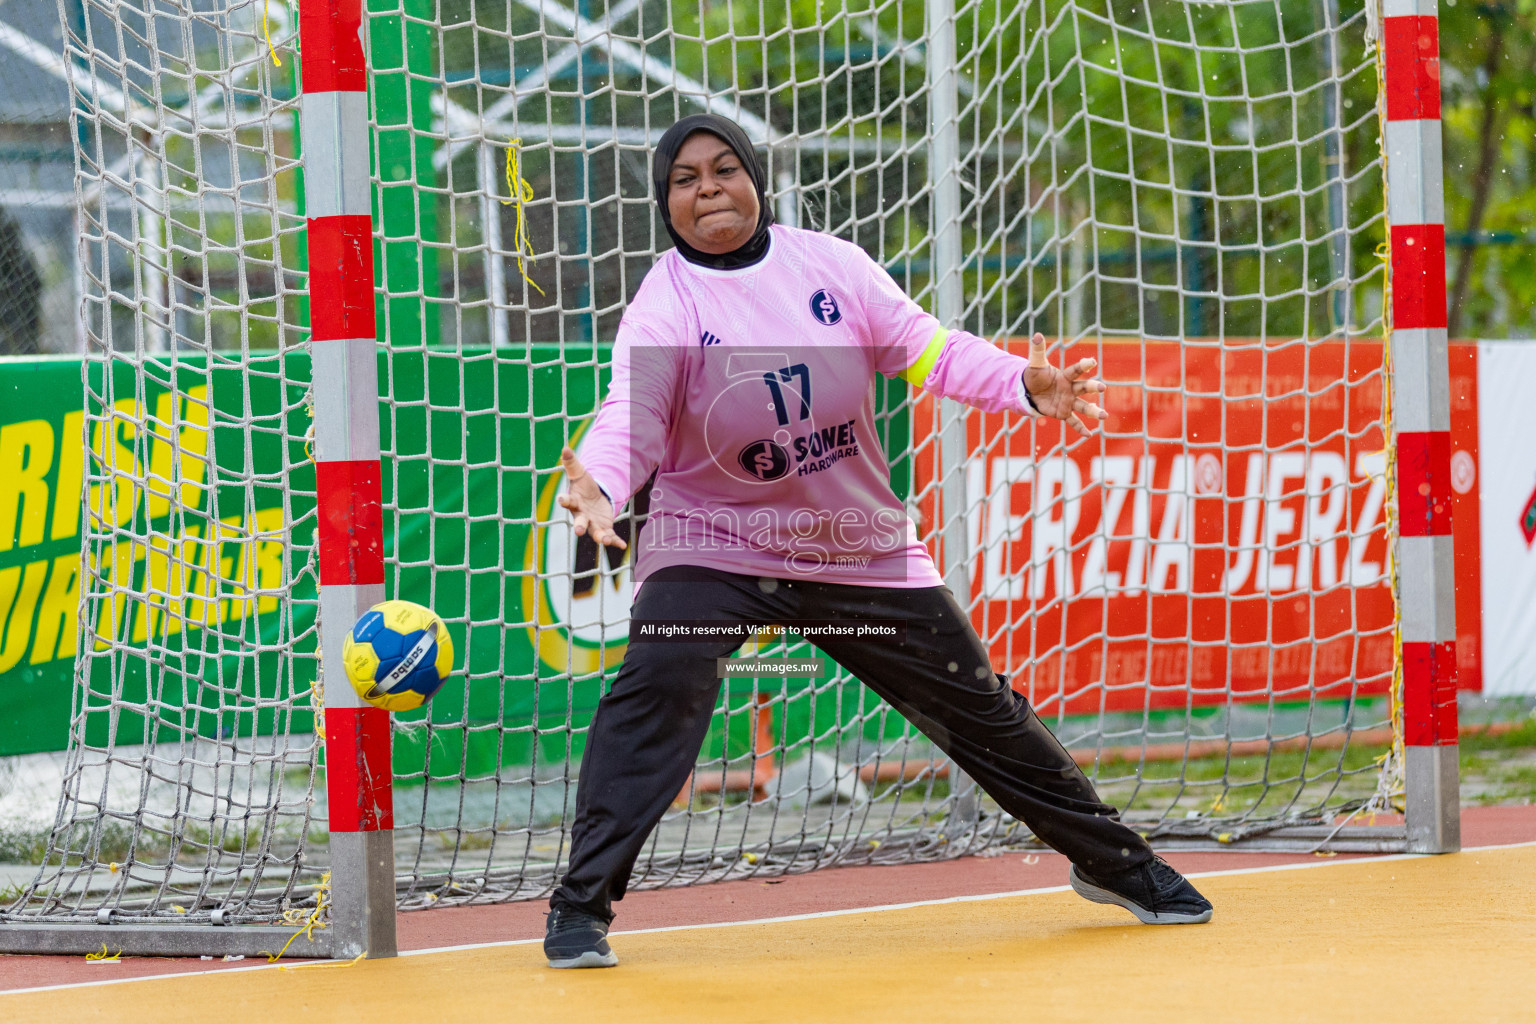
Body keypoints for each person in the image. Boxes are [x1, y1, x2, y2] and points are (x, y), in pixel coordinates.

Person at [543, 113, 1213, 969]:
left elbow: (930, 353)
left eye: (723, 169)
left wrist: (1023, 382)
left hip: (850, 539)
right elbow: (630, 418)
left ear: (756, 177)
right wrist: (597, 482)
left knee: (979, 704)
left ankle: (1119, 864)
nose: (707, 187)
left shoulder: (831, 265)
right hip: (714, 540)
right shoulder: (666, 300)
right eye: (685, 178)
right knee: (658, 682)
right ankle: (579, 908)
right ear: (665, 202)